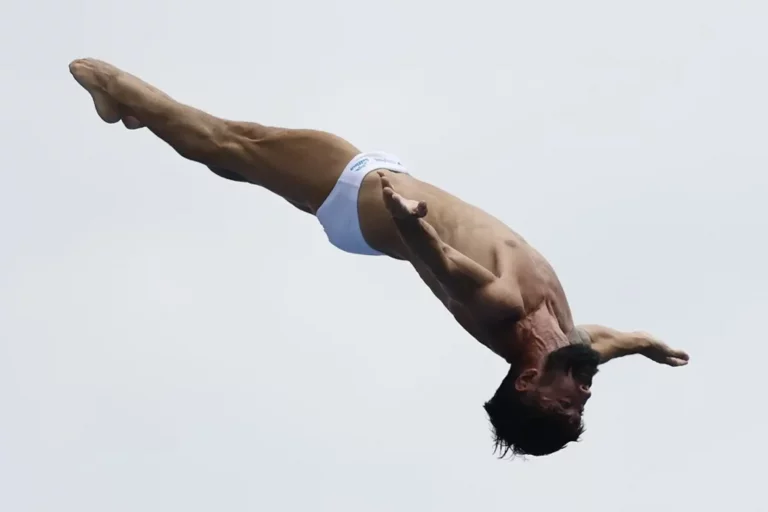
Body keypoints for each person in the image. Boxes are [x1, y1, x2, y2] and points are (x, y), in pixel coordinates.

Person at [69, 58, 690, 458]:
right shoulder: (564, 337)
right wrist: (644, 343)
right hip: (386, 194)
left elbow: (445, 264)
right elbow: (604, 341)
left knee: (234, 143)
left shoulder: (501, 309)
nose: (583, 388)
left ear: (527, 381)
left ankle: (112, 85)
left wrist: (407, 221)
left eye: (566, 398)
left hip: (364, 202)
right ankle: (138, 114)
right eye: (584, 395)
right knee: (239, 157)